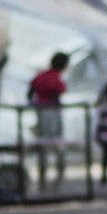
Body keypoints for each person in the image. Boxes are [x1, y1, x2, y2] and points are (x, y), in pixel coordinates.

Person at [29, 52, 70, 185]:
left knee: (44, 144)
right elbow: (58, 91)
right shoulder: (53, 78)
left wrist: (34, 105)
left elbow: (30, 91)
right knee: (55, 142)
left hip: (41, 111)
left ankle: (43, 175)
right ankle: (58, 174)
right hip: (51, 112)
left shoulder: (41, 76)